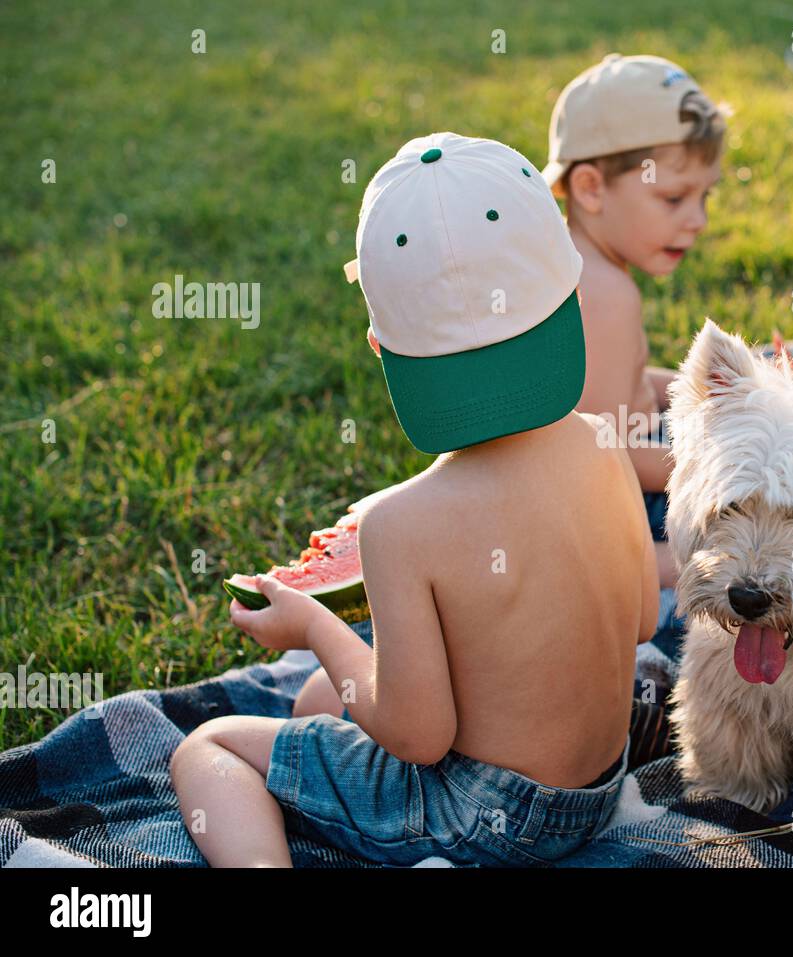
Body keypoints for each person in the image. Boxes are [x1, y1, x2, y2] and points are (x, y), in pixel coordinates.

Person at [170, 131, 658, 868]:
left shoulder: (400, 524)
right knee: (314, 704)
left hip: (480, 817)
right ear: (567, 298)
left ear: (378, 344)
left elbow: (416, 735)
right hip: (595, 788)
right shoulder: (600, 439)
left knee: (210, 750)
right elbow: (645, 618)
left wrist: (314, 626)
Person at [543, 53, 729, 588]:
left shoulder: (569, 267)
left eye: (704, 196)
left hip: (614, 467)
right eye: (673, 197)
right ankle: (640, 573)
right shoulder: (605, 293)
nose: (698, 220)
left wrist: (702, 389)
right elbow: (601, 447)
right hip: (606, 500)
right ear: (591, 188)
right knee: (746, 549)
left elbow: (610, 385)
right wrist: (714, 469)